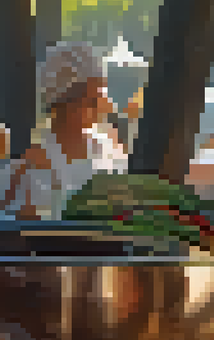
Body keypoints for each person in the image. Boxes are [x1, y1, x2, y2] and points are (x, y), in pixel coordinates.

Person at [2, 42, 126, 221]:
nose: (103, 106)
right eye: (92, 100)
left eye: (101, 96)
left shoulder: (109, 152)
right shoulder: (34, 164)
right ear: (63, 103)